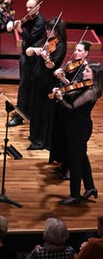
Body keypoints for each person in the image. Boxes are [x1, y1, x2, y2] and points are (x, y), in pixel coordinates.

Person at [54, 62, 101, 205]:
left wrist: (60, 98)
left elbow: (71, 107)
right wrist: (64, 83)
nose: (84, 73)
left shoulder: (91, 92)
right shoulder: (86, 86)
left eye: (87, 71)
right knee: (82, 157)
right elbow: (73, 89)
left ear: (94, 76)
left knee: (75, 161)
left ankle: (75, 195)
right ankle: (90, 187)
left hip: (79, 128)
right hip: (77, 125)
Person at [49, 40, 91, 177]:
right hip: (64, 103)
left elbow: (75, 88)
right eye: (76, 50)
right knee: (61, 135)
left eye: (80, 51)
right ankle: (64, 164)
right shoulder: (70, 65)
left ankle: (69, 169)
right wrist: (58, 74)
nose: (76, 53)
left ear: (86, 53)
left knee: (69, 138)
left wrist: (64, 80)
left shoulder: (86, 70)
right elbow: (62, 80)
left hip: (72, 105)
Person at [25, 17, 67, 150]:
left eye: (50, 29)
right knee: (35, 109)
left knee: (42, 111)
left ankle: (40, 141)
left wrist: (45, 56)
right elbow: (28, 52)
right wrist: (33, 49)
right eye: (47, 28)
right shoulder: (47, 41)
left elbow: (51, 66)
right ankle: (34, 136)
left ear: (57, 31)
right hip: (37, 78)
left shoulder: (60, 46)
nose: (47, 31)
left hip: (47, 81)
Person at [6, 0, 46, 127]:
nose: (28, 10)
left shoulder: (40, 21)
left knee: (24, 86)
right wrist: (14, 24)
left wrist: (20, 31)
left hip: (32, 58)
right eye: (27, 7)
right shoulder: (31, 18)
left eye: (31, 8)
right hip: (25, 55)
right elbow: (23, 24)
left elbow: (30, 38)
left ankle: (19, 117)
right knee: (25, 85)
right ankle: (24, 110)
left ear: (38, 7)